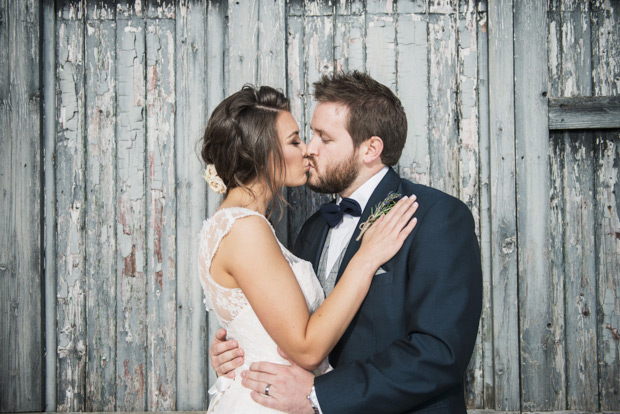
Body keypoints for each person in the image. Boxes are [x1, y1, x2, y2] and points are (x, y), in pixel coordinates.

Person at [210, 72, 483, 414]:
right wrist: (241, 351)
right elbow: (297, 325)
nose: (309, 148)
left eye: (324, 138)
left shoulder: (436, 217)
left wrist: (320, 395)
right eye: (309, 135)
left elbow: (439, 353)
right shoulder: (313, 229)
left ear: (370, 148)